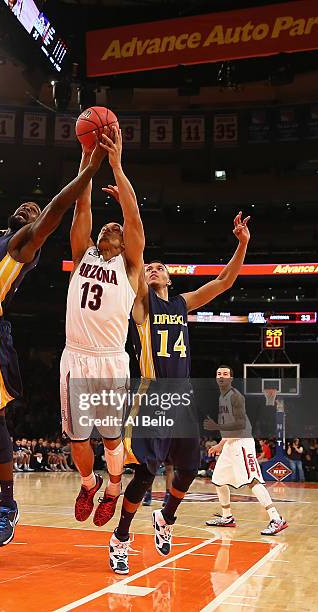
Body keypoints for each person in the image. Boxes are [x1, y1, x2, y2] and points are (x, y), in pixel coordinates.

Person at [0, 139, 107, 547]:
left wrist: (86, 171)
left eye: (34, 211)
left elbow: (53, 209)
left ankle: (11, 505)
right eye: (25, 208)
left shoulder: (23, 243)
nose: (29, 211)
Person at [108, 212, 251, 575]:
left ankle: (165, 517)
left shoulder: (182, 305)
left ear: (170, 277)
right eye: (149, 267)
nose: (153, 269)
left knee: (188, 468)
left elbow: (223, 280)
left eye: (160, 267)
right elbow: (134, 260)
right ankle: (120, 539)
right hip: (152, 396)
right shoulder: (141, 304)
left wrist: (243, 243)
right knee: (145, 473)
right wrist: (127, 236)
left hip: (182, 398)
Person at [61, 127, 144, 527]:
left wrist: (116, 163)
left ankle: (114, 487)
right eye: (106, 226)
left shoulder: (131, 268)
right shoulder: (82, 256)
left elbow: (133, 215)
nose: (112, 226)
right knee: (78, 439)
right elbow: (81, 206)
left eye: (118, 228)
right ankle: (89, 482)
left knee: (111, 438)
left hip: (111, 360)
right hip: (75, 355)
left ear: (127, 243)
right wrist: (87, 157)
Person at [204, 365, 288, 535]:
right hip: (230, 444)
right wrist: (221, 444)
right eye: (219, 373)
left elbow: (240, 426)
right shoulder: (223, 397)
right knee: (218, 480)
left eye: (225, 374)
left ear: (231, 378)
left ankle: (276, 518)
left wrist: (217, 430)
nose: (222, 376)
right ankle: (227, 517)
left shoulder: (235, 397)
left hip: (242, 443)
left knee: (253, 480)